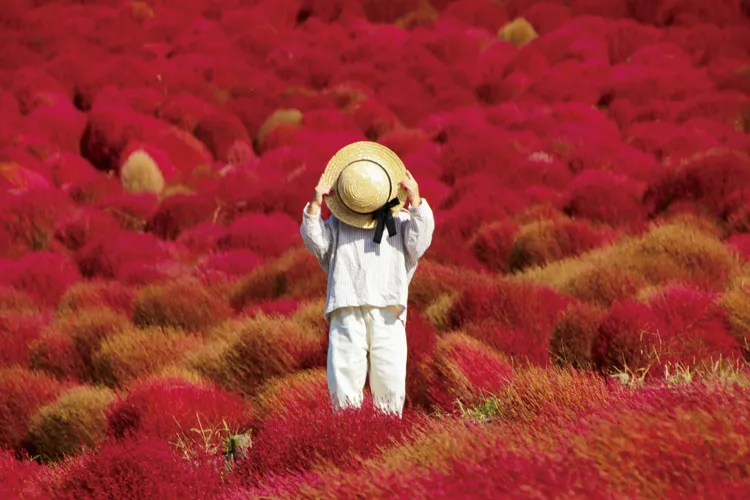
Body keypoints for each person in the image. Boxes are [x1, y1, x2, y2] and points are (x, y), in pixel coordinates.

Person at [300, 141, 435, 417]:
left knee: (390, 377)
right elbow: (316, 244)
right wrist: (315, 205)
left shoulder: (398, 220)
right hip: (347, 304)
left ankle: (384, 438)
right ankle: (349, 434)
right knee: (345, 378)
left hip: (388, 304)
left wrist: (416, 200)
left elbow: (419, 242)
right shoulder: (337, 225)